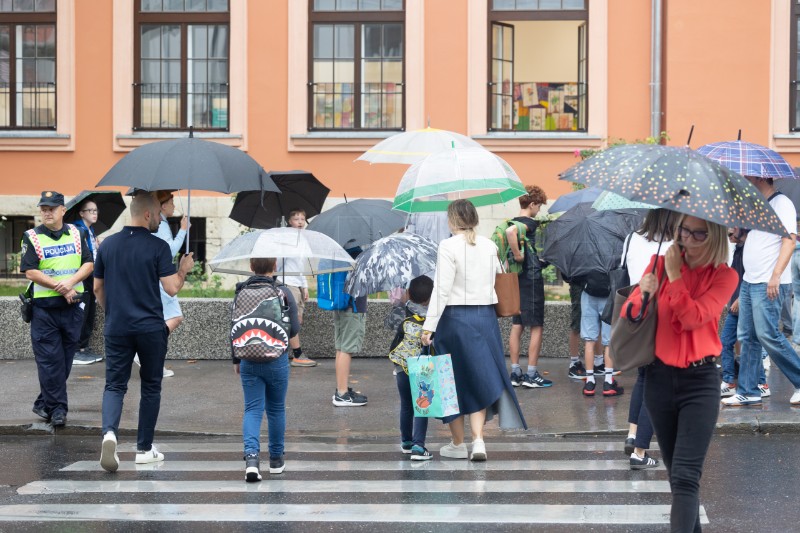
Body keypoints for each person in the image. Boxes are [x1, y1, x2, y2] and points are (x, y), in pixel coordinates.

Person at [625, 214, 737, 532]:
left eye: (697, 234)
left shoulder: (725, 277)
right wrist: (642, 294)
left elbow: (692, 317)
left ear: (714, 237)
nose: (686, 239)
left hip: (700, 383)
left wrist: (673, 277)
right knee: (679, 479)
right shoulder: (657, 263)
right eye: (682, 230)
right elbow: (630, 314)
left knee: (687, 476)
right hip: (659, 380)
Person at [95, 192, 194, 473]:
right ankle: (144, 448)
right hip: (150, 328)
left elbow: (97, 289)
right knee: (151, 386)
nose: (162, 219)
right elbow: (172, 288)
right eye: (159, 215)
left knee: (115, 385)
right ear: (148, 214)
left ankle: (110, 434)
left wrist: (112, 312)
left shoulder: (108, 245)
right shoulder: (158, 246)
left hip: (117, 327)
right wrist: (183, 269)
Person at [421, 199, 527, 462]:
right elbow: (496, 278)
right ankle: (478, 440)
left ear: (452, 220)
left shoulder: (447, 245)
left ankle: (458, 444)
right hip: (484, 318)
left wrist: (428, 325)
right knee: (479, 377)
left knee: (450, 380)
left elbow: (442, 289)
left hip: (454, 319)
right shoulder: (489, 245)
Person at [723, 176, 800, 406]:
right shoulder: (757, 205)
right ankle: (749, 391)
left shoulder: (781, 203)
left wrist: (776, 275)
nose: (744, 181)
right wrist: (738, 234)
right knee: (747, 337)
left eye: (747, 177)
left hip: (768, 281)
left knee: (768, 335)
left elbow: (789, 239)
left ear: (758, 177)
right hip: (750, 280)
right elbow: (753, 239)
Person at [21, 191, 94, 427]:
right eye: (43, 208)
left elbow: (89, 263)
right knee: (49, 361)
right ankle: (58, 409)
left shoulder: (77, 232)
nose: (46, 212)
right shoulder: (31, 236)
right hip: (44, 311)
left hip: (72, 308)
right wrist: (61, 287)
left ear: (63, 210)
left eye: (52, 208)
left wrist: (70, 284)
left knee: (64, 361)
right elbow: (30, 271)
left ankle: (43, 402)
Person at [233, 257, 300, 482]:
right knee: (276, 409)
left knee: (252, 409)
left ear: (252, 267)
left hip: (248, 360)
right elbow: (293, 330)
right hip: (277, 360)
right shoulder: (284, 293)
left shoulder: (240, 291)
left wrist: (236, 360)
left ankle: (252, 460)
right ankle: (276, 460)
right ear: (275, 267)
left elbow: (233, 326)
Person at [621, 209, 673, 469]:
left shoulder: (631, 238)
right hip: (661, 318)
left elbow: (625, 273)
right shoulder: (674, 246)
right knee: (656, 384)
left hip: (635, 314)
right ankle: (639, 453)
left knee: (643, 376)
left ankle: (632, 433)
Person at [133, 190, 187, 378]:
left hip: (156, 276)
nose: (174, 206)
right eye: (172, 202)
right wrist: (183, 230)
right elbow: (169, 251)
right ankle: (147, 355)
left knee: (164, 318)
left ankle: (150, 356)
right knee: (175, 317)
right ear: (162, 206)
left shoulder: (159, 224)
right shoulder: (161, 224)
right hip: (163, 277)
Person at [506, 185, 553, 389]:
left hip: (516, 279)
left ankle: (515, 372)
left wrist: (519, 257)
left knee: (518, 325)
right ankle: (532, 374)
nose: (539, 210)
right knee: (536, 326)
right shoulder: (528, 223)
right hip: (531, 281)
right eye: (539, 206)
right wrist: (518, 254)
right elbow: (510, 232)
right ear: (532, 204)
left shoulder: (512, 220)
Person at [388, 275, 434, 461]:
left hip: (402, 367)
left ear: (408, 294)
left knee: (406, 405)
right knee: (422, 405)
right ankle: (418, 446)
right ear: (432, 298)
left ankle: (406, 441)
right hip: (423, 368)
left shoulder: (403, 313)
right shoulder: (433, 318)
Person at [719, 229, 769, 398]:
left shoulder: (750, 249)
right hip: (736, 303)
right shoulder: (739, 249)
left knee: (750, 343)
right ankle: (730, 381)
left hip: (743, 302)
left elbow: (751, 277)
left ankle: (761, 382)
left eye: (733, 229)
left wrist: (739, 299)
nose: (730, 231)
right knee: (727, 342)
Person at [275, 208, 317, 367]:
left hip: (297, 283)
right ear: (289, 222)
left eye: (302, 219)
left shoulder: (303, 241)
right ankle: (297, 354)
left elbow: (300, 266)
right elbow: (278, 264)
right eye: (296, 219)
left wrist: (304, 286)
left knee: (298, 319)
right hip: (287, 282)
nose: (300, 222)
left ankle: (285, 351)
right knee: (292, 320)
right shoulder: (285, 239)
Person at [332, 247, 369, 407]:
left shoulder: (340, 250)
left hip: (342, 304)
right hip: (352, 307)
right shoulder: (357, 253)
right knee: (346, 349)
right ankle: (342, 394)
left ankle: (342, 389)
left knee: (341, 348)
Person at [580, 270, 623, 397]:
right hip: (608, 296)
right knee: (609, 341)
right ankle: (608, 382)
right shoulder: (612, 250)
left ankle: (589, 382)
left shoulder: (586, 252)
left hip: (588, 294)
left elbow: (572, 276)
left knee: (589, 341)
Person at [72, 199, 103, 365]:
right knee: (82, 313)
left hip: (91, 276)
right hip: (83, 277)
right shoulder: (77, 230)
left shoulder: (90, 230)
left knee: (90, 312)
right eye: (90, 210)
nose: (94, 213)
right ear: (81, 213)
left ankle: (83, 347)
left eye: (96, 210)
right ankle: (76, 349)